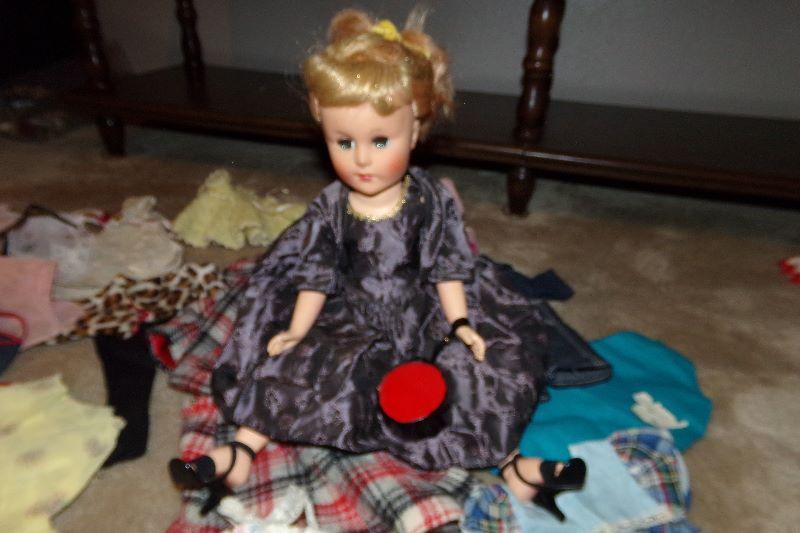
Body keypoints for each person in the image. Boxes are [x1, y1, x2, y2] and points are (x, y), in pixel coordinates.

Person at [169, 8, 586, 520]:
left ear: (416, 130)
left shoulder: (429, 199)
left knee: (477, 373)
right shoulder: (331, 207)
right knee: (291, 366)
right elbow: (317, 274)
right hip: (348, 315)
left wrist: (460, 322)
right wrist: (297, 328)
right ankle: (240, 452)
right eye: (344, 142)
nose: (361, 159)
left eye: (380, 141)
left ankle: (514, 466)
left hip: (425, 311)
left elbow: (447, 267)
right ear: (321, 125)